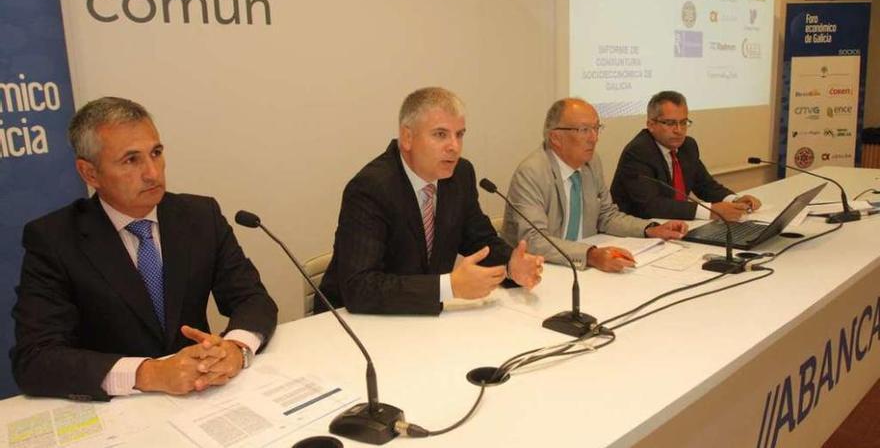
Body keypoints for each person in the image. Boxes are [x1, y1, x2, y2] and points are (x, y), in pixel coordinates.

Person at [10, 97, 278, 401]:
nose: (153, 172)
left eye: (156, 153)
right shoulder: (54, 239)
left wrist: (235, 348)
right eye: (131, 160)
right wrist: (148, 373)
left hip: (201, 398)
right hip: (119, 411)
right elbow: (35, 358)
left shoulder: (200, 216)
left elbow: (252, 298)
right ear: (89, 173)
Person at [317, 87, 544, 315]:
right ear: (407, 137)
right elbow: (360, 287)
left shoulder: (460, 174)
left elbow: (479, 239)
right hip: (350, 323)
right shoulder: (372, 188)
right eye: (440, 134)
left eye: (460, 134)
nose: (454, 146)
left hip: (420, 319)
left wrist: (510, 264)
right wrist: (449, 287)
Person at [500, 98, 688, 273]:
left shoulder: (591, 162)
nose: (594, 138)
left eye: (596, 128)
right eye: (584, 130)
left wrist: (649, 229)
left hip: (585, 268)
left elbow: (607, 216)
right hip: (543, 270)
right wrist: (590, 255)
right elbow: (534, 240)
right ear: (556, 137)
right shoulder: (532, 172)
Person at [610, 91, 761, 221]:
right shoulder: (639, 151)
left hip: (675, 226)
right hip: (637, 232)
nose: (679, 130)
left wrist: (733, 200)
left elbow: (705, 185)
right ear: (651, 125)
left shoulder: (687, 146)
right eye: (670, 123)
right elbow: (651, 205)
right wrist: (712, 211)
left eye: (683, 122)